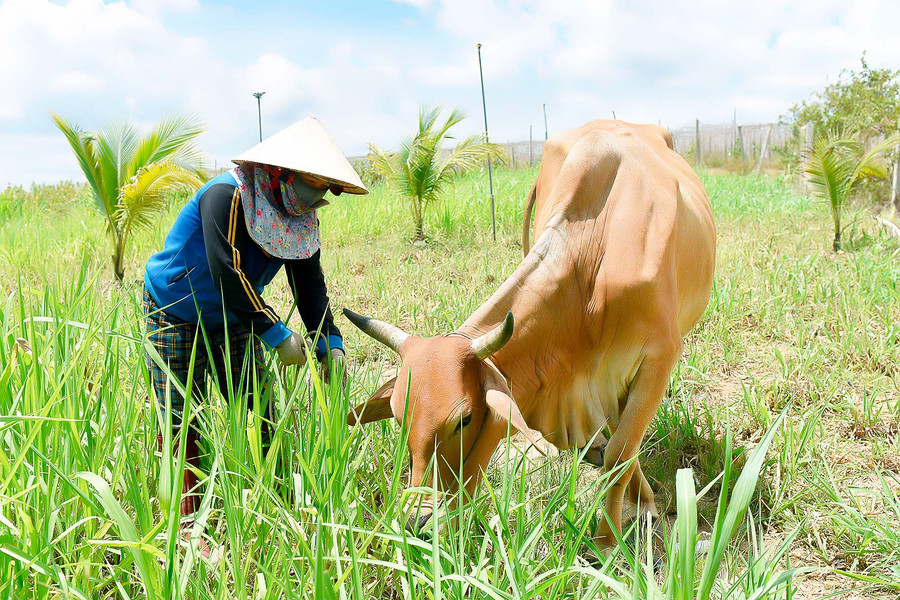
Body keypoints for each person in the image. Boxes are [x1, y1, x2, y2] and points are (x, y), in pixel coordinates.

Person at [143, 117, 367, 524]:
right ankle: (187, 523)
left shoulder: (300, 218)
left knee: (257, 402)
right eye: (315, 187)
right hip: (175, 308)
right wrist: (277, 335)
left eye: (326, 192)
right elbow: (226, 271)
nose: (320, 200)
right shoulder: (227, 196)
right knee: (180, 414)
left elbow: (309, 287)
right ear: (282, 173)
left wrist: (328, 343)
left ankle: (275, 500)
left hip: (234, 315)